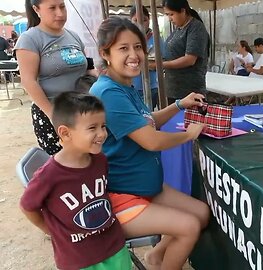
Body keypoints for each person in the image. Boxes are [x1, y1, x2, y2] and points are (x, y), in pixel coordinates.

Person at [90, 17, 210, 270]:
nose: (134, 55)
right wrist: (189, 135)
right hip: (122, 195)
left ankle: (155, 257)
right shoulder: (108, 92)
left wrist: (179, 104)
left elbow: (147, 122)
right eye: (123, 48)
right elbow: (151, 140)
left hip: (146, 187)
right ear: (105, 54)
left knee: (201, 213)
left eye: (138, 47)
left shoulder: (123, 85)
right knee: (188, 227)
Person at [19, 92, 132, 270]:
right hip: (78, 258)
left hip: (114, 247)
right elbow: (27, 206)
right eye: (92, 128)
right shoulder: (49, 175)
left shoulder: (100, 160)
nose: (102, 134)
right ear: (65, 133)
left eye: (103, 126)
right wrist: (51, 231)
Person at [15, 0, 94, 155]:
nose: (60, 13)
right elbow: (28, 81)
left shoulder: (74, 36)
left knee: (87, 160)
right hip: (52, 113)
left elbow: (88, 70)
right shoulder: (30, 39)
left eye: (62, 6)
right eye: (52, 8)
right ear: (36, 9)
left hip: (82, 111)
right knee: (66, 167)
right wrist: (53, 115)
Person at [162, 0, 210, 104]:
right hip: (174, 89)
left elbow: (190, 59)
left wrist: (161, 64)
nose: (169, 18)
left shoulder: (196, 28)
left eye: (172, 14)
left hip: (189, 91)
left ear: (183, 11)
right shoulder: (178, 29)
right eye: (167, 15)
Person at [130, 5, 166, 110]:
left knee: (148, 116)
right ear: (130, 21)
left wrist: (144, 65)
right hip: (132, 86)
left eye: (144, 20)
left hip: (152, 87)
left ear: (149, 20)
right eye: (135, 20)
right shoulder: (127, 39)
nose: (140, 24)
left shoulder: (156, 39)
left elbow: (161, 63)